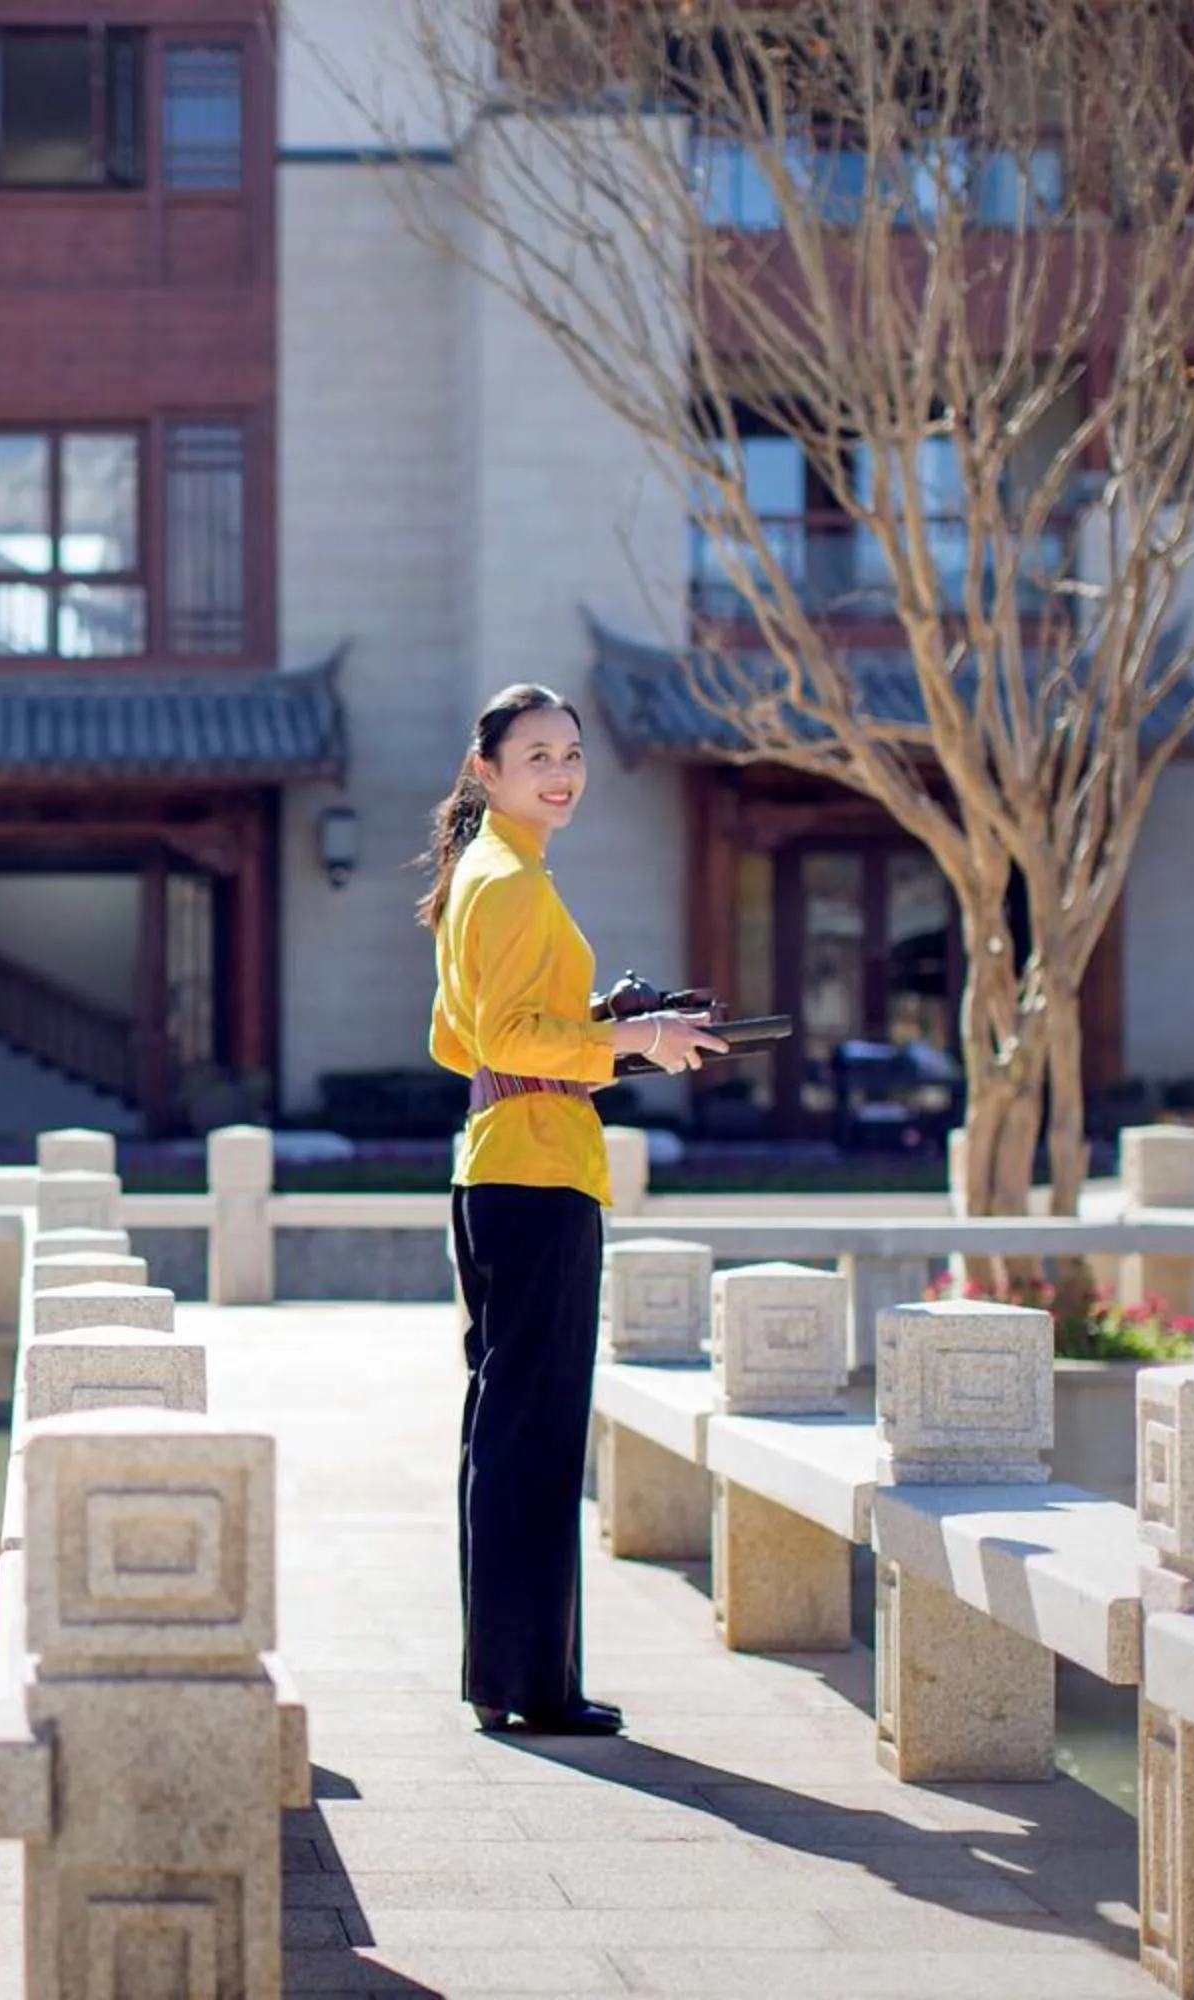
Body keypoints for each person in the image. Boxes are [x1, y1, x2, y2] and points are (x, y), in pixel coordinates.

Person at [421, 682, 724, 1737]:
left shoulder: (493, 874)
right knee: (532, 1437)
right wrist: (626, 1042)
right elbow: (501, 1039)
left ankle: (515, 1675)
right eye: (537, 753)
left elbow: (455, 1043)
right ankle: (528, 1684)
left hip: (510, 1163)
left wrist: (603, 1033)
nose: (561, 771)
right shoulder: (507, 881)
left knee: (510, 1433)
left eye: (572, 753)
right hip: (535, 1178)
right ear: (487, 769)